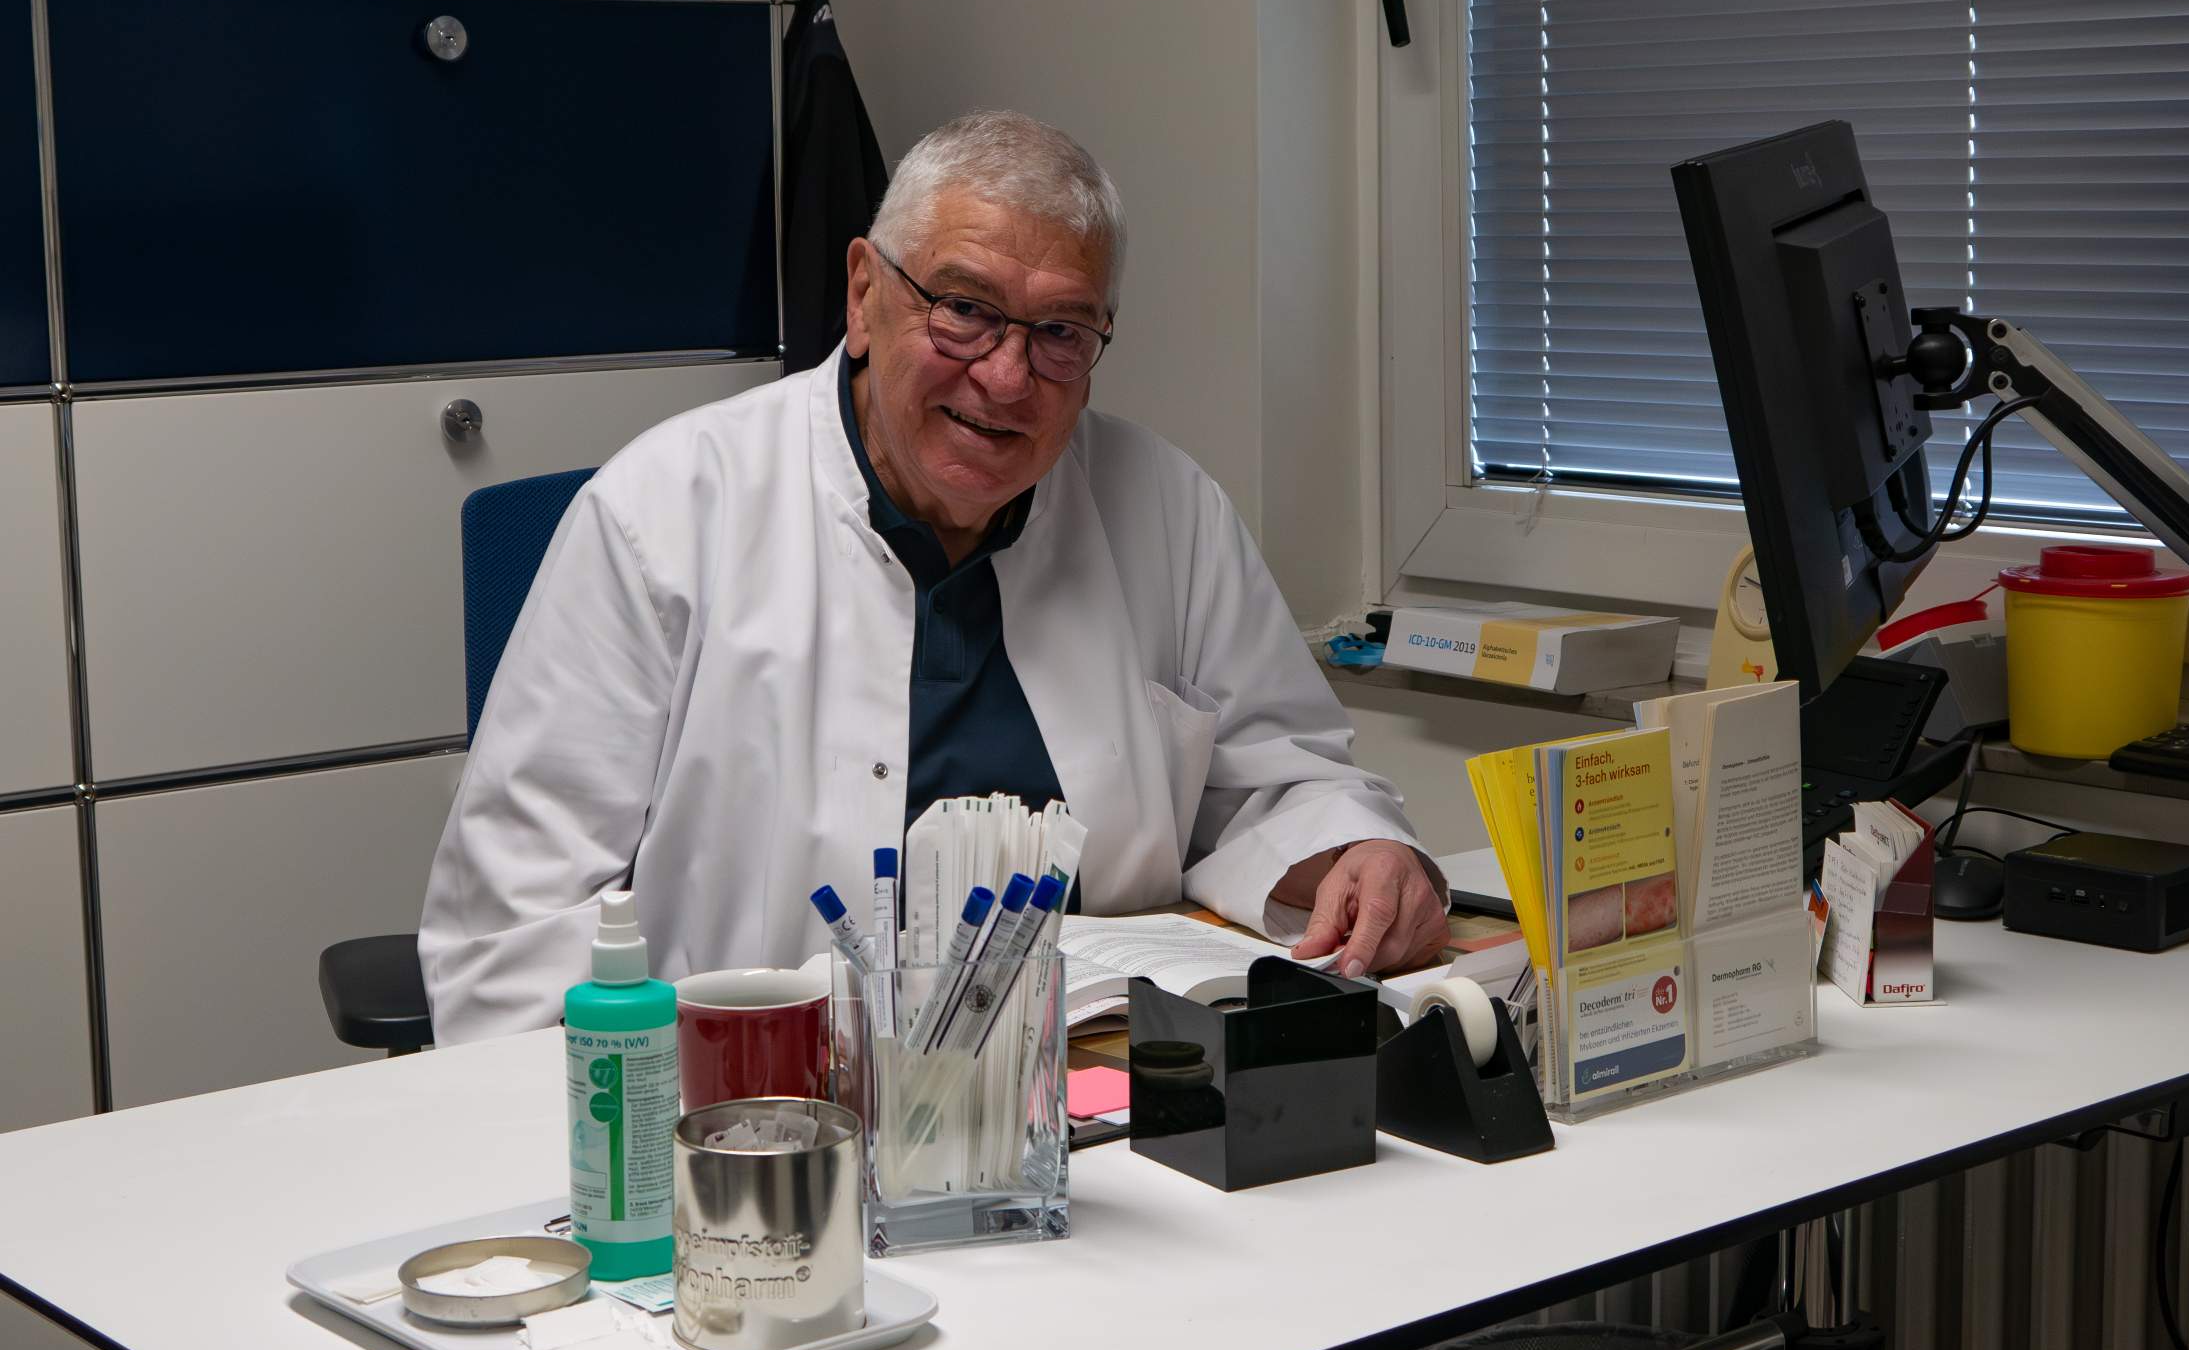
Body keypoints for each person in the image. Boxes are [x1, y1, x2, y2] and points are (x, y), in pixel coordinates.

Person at [419, 110, 1445, 1041]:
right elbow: (513, 935)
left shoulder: (1166, 508)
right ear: (863, 296)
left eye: (1061, 332)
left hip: (1097, 1097)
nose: (1005, 375)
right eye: (963, 307)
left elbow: (1279, 776)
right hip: (757, 1116)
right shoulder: (664, 510)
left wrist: (1356, 855)